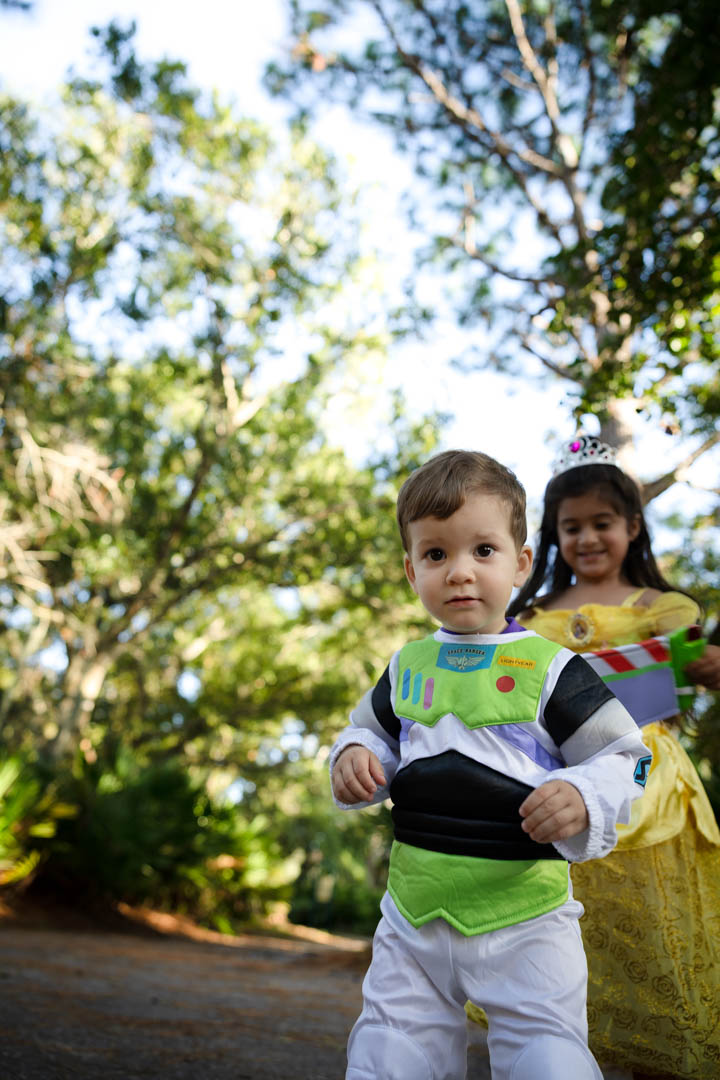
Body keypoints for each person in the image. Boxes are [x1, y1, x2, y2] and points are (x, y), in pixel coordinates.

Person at [330, 448, 652, 1080]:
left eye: (482, 551)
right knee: (389, 1053)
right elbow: (367, 736)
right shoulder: (406, 667)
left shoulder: (554, 669)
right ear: (410, 569)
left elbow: (629, 760)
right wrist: (355, 756)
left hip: (525, 918)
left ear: (520, 562)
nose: (458, 573)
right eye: (435, 555)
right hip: (414, 916)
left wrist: (584, 793)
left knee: (548, 1061)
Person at [504, 433, 720, 1080]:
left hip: (647, 783)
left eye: (602, 523)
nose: (587, 538)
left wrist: (706, 662)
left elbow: (689, 655)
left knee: (653, 942)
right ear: (552, 536)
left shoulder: (658, 608)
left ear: (631, 526)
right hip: (559, 784)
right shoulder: (531, 619)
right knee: (569, 940)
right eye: (572, 527)